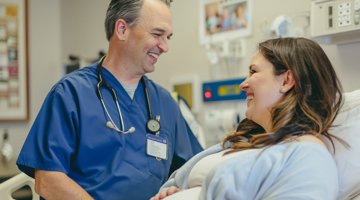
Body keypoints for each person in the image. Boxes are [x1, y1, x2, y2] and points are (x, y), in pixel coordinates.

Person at [16, 0, 203, 199]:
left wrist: (176, 189)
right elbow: (47, 179)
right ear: (122, 29)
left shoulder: (164, 103)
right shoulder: (71, 94)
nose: (165, 47)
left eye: (168, 37)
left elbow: (192, 170)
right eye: (157, 35)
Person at [151, 37, 344, 200]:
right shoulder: (248, 141)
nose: (243, 84)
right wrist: (173, 192)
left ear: (286, 81)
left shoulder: (308, 156)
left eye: (253, 71)